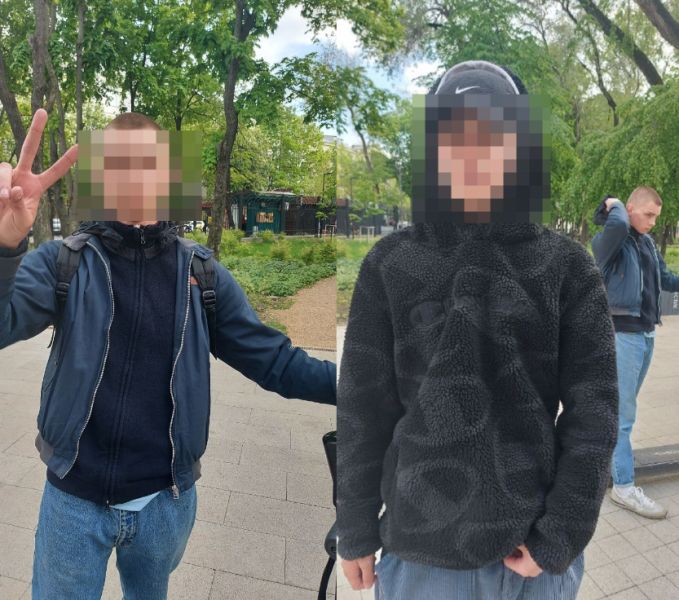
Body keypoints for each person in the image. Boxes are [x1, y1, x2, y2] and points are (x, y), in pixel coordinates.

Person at [0, 109, 336, 599]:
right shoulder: (64, 263)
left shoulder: (202, 275)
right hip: (73, 500)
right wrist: (5, 246)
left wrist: (368, 385)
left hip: (165, 503)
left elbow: (276, 363)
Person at [337, 60, 618, 600]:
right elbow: (361, 409)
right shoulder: (389, 264)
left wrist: (561, 533)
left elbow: (596, 413)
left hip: (533, 553)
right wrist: (354, 527)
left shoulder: (567, 267)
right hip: (422, 554)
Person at [592, 187, 679, 519]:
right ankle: (624, 487)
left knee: (621, 409)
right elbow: (616, 224)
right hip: (623, 336)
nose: (653, 222)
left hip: (646, 335)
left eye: (657, 217)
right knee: (622, 415)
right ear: (629, 209)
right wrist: (613, 203)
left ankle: (603, 464)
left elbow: (666, 279)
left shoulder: (647, 243)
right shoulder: (611, 239)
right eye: (648, 214)